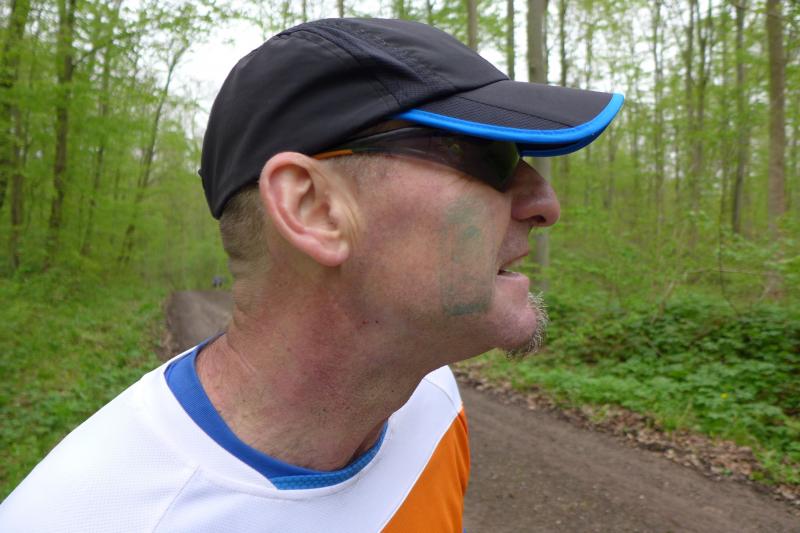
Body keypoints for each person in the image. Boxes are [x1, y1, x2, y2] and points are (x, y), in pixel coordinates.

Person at [0, 18, 622, 532]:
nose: (545, 204)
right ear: (313, 209)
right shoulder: (88, 518)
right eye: (491, 156)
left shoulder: (432, 399)